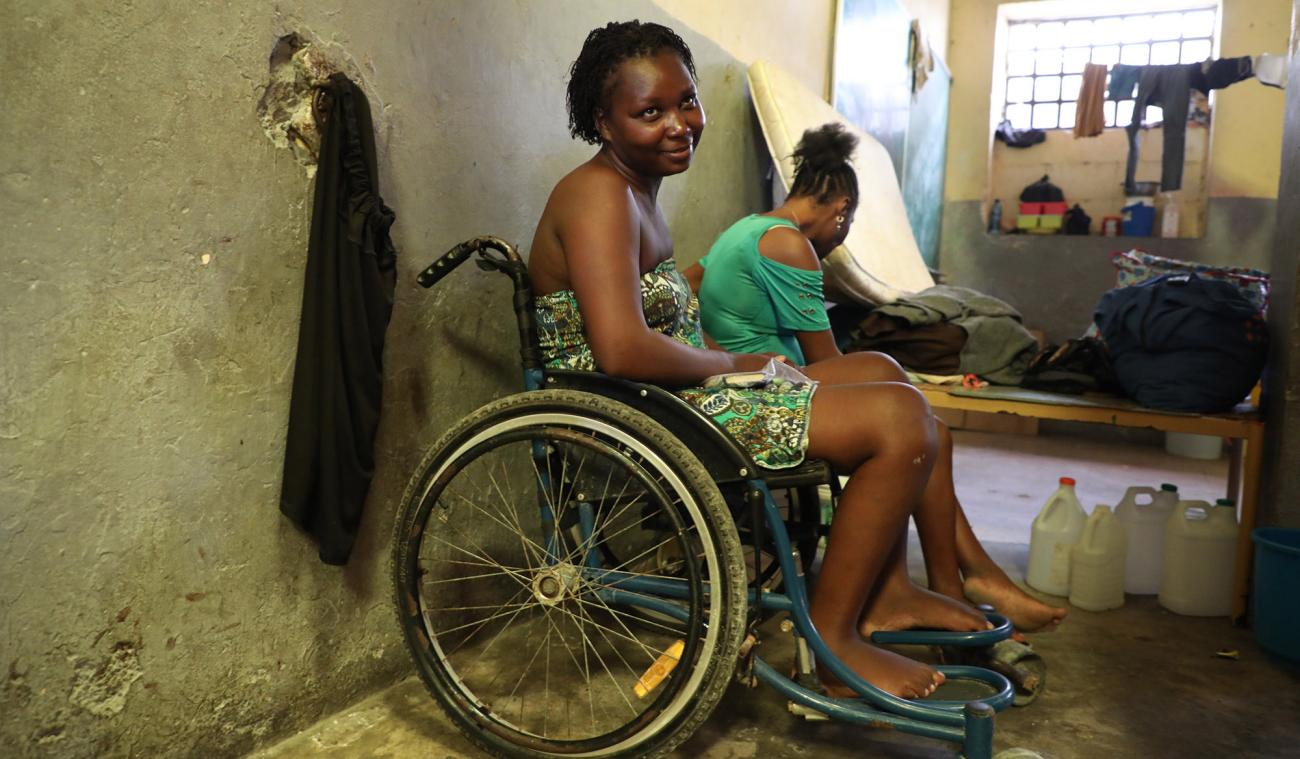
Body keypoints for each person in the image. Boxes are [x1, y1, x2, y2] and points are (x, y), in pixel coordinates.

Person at [529, 20, 987, 700]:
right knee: (899, 421)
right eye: (650, 112)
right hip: (635, 413)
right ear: (604, 121)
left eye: (686, 101)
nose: (679, 124)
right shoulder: (599, 195)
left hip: (669, 395)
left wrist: (728, 355)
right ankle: (833, 640)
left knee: (885, 373)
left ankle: (887, 591)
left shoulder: (635, 189)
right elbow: (621, 348)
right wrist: (731, 363)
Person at [684, 124, 1067, 634]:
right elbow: (825, 356)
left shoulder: (746, 229)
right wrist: (733, 358)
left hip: (762, 377)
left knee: (922, 419)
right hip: (767, 388)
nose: (839, 240)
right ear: (842, 208)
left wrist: (714, 347)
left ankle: (958, 583)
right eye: (848, 224)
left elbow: (685, 285)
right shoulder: (789, 245)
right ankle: (961, 581)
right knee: (902, 396)